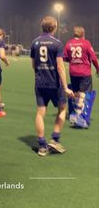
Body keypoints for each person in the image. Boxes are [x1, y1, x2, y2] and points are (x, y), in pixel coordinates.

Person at [30, 16, 74, 156]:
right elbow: (60, 67)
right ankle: (54, 139)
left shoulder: (35, 42)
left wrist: (40, 74)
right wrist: (66, 87)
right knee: (62, 109)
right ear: (54, 27)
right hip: (55, 84)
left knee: (40, 112)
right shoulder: (57, 43)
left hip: (40, 82)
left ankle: (42, 145)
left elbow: (34, 64)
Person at [63, 26, 99, 93]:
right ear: (83, 34)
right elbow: (93, 58)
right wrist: (97, 68)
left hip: (73, 73)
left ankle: (77, 102)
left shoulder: (69, 43)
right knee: (85, 95)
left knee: (76, 94)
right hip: (85, 73)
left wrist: (73, 60)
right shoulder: (86, 43)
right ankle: (83, 103)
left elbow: (64, 57)